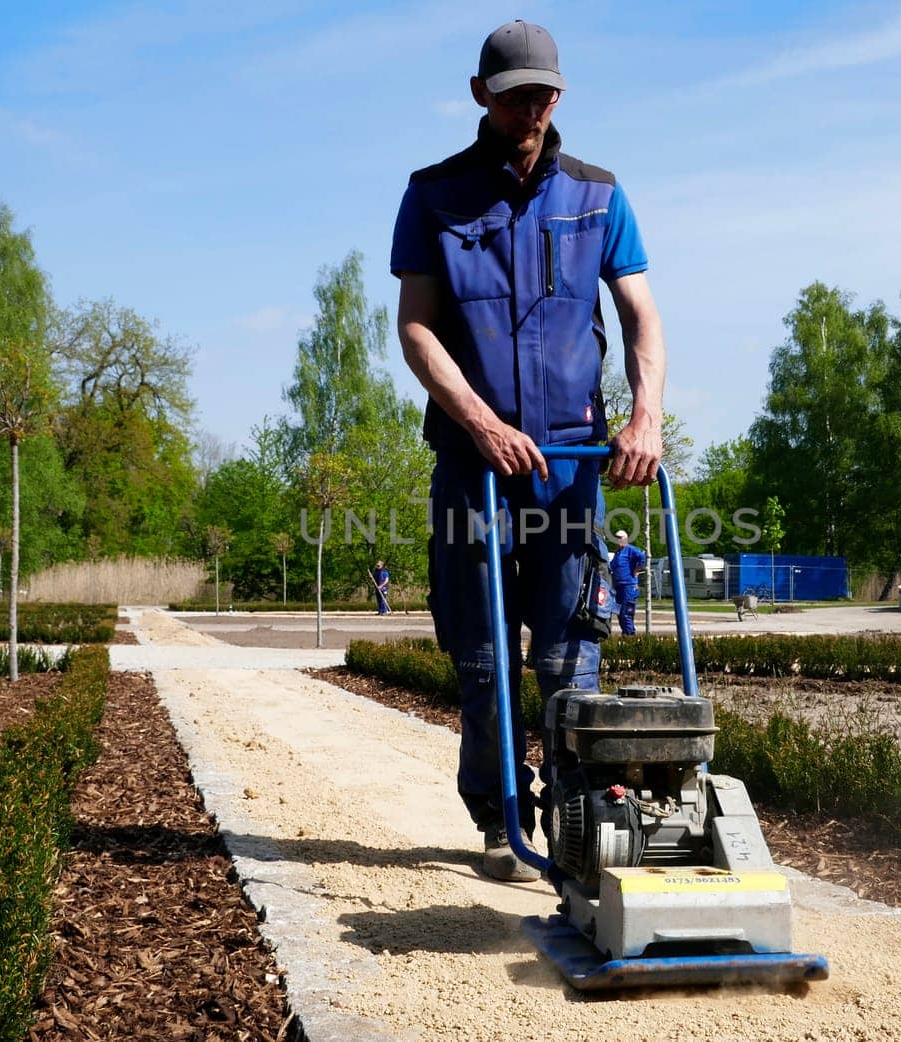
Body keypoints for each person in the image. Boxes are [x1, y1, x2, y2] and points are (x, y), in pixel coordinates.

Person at [392, 20, 667, 881]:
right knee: (482, 658)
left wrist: (645, 416)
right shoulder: (434, 193)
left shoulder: (598, 193)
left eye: (546, 91)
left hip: (571, 469)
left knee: (568, 655)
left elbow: (639, 316)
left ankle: (580, 822)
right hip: (473, 470)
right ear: (482, 95)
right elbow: (415, 327)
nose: (534, 106)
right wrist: (478, 421)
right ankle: (496, 814)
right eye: (517, 94)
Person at [607, 530, 647, 636]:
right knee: (619, 613)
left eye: (620, 538)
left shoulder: (630, 550)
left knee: (626, 613)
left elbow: (643, 557)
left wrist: (637, 570)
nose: (618, 540)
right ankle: (626, 633)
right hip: (618, 587)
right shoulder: (617, 553)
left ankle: (629, 635)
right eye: (616, 538)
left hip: (628, 586)